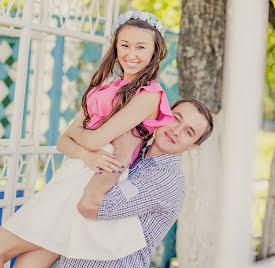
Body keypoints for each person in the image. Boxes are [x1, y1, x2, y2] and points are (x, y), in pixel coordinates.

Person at [0, 10, 175, 268]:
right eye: (124, 45)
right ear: (116, 47)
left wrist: (82, 140)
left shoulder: (149, 95)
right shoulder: (105, 88)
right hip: (74, 173)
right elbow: (63, 141)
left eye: (141, 47)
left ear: (154, 51)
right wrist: (86, 153)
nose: (131, 54)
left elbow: (91, 138)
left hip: (89, 182)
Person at [52, 97, 213, 268]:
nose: (176, 130)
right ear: (163, 115)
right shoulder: (136, 153)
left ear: (192, 145)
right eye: (175, 118)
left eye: (189, 132)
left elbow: (90, 206)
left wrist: (123, 152)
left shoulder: (166, 180)